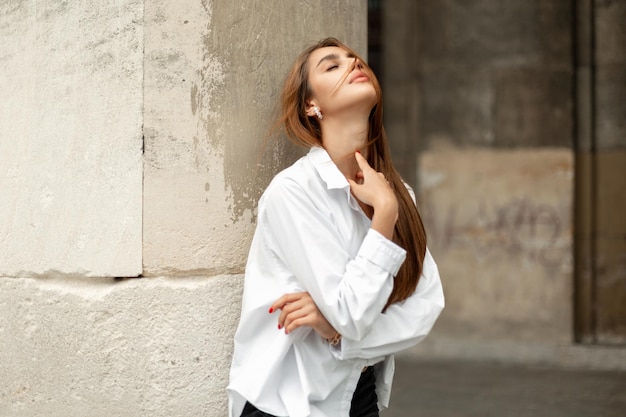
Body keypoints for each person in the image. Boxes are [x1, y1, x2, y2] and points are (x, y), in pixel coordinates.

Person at [227, 37, 444, 417]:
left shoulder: (397, 192)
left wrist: (338, 332)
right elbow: (351, 313)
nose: (353, 63)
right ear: (312, 106)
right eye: (332, 65)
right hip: (290, 400)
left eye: (354, 59)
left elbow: (425, 307)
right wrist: (385, 215)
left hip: (357, 394)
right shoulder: (294, 192)